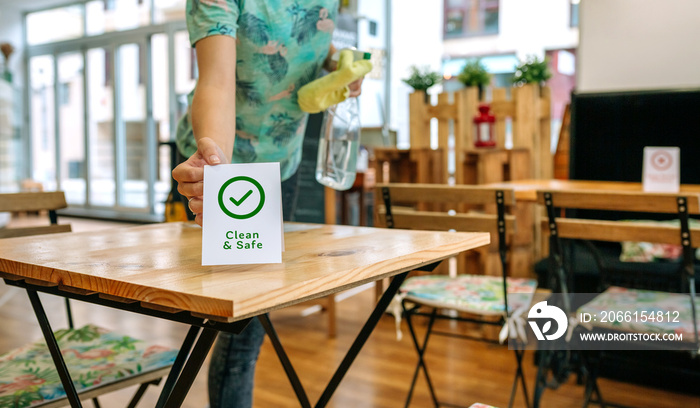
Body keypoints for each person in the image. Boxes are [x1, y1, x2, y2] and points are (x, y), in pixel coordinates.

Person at [172, 1, 364, 407]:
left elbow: (306, 46)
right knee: (225, 316)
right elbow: (218, 83)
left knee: (252, 322)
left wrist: (337, 70)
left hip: (282, 164)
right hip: (219, 164)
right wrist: (217, 173)